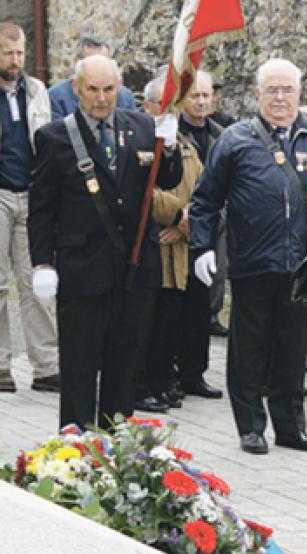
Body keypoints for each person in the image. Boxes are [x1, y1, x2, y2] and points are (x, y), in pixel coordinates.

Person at [28, 55, 182, 428]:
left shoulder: (143, 127)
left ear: (119, 89)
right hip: (83, 267)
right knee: (80, 366)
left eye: (109, 89)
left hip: (134, 266)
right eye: (93, 89)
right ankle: (77, 449)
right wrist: (42, 263)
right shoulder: (55, 137)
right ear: (78, 89)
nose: (101, 98)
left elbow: (168, 178)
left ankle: (115, 447)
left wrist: (172, 146)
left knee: (124, 361)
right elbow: (43, 208)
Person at [190, 58, 307, 455]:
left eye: (287, 90)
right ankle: (250, 426)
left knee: (292, 347)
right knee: (249, 347)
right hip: (251, 261)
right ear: (258, 94)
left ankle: (290, 426)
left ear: (300, 92)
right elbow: (205, 201)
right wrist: (202, 247)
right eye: (272, 90)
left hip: (301, 263)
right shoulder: (235, 139)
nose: (280, 98)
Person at [0, 23, 59, 394]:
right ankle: (1, 366)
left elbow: (48, 142)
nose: (16, 60)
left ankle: (47, 366)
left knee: (35, 282)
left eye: (20, 52)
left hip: (32, 194)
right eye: (8, 53)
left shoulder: (37, 91)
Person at [173, 70, 224, 400]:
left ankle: (195, 372)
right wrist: (180, 216)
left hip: (212, 229)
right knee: (176, 305)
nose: (202, 101)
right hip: (177, 230)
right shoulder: (170, 132)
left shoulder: (222, 134)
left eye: (206, 96)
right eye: (195, 96)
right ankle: (173, 371)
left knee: (202, 304)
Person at [48, 37, 136, 120]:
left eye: (103, 63)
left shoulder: (125, 97)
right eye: (91, 63)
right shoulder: (56, 98)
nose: (102, 98)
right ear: (76, 62)